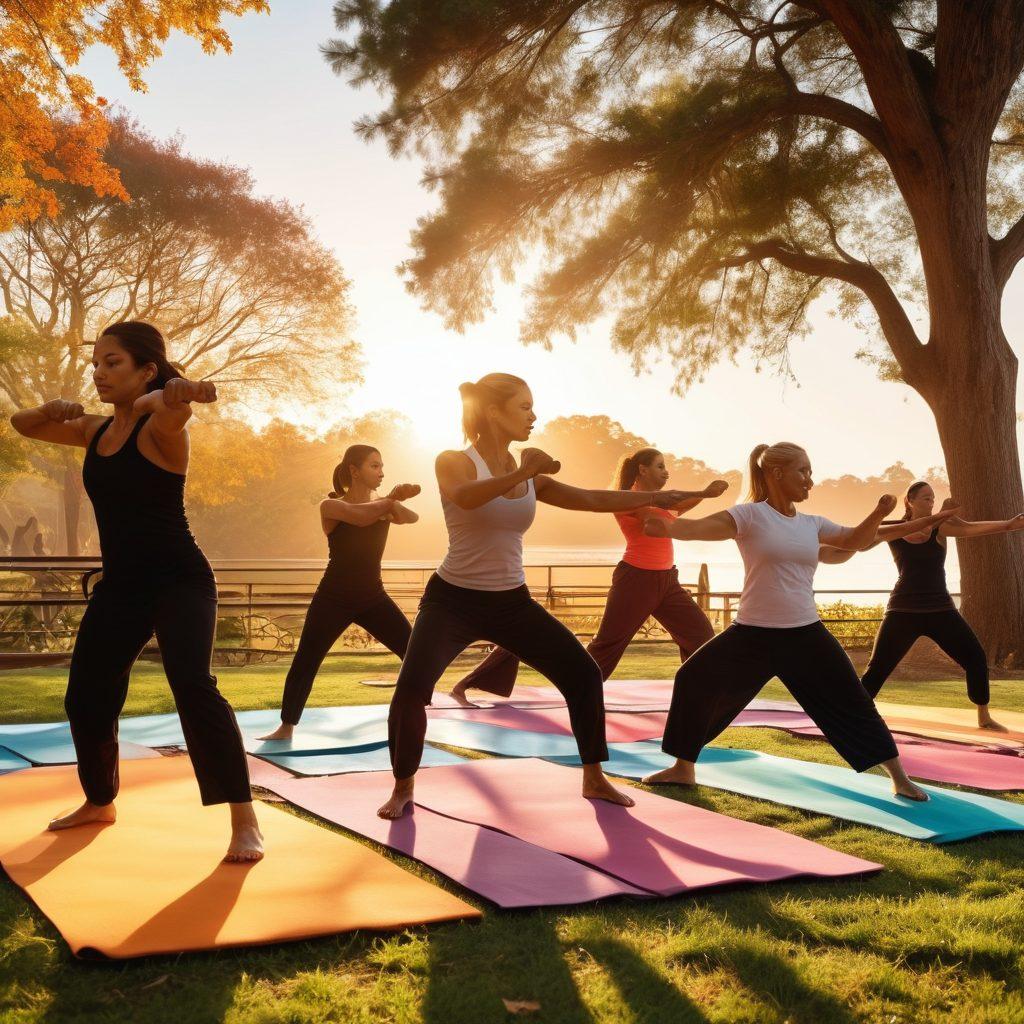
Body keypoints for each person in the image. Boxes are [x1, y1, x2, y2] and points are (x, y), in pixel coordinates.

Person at [377, 373, 696, 818]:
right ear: (493, 412)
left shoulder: (531, 477)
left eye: (533, 407)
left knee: (583, 675)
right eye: (524, 407)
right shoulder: (454, 460)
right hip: (451, 599)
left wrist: (661, 496)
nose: (533, 415)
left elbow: (590, 498)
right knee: (412, 689)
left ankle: (593, 777)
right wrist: (526, 469)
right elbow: (464, 497)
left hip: (512, 601)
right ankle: (403, 786)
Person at [10, 321, 263, 862]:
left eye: (113, 362)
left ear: (147, 369)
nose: (99, 373)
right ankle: (100, 800)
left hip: (179, 578)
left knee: (193, 686)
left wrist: (176, 393)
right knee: (86, 695)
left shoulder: (162, 429)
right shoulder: (95, 431)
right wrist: (53, 407)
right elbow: (21, 424)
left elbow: (179, 410)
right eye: (95, 363)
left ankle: (245, 819)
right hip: (122, 585)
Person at [640, 442, 960, 801]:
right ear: (776, 474)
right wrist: (663, 527)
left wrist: (878, 512)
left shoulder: (812, 524)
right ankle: (683, 768)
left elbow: (855, 539)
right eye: (803, 471)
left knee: (853, 699)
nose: (810, 480)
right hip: (751, 633)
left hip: (805, 634)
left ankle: (899, 777)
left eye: (810, 472)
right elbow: (699, 528)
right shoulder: (748, 516)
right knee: (692, 677)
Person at [448, 447, 727, 705]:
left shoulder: (656, 502)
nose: (666, 471)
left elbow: (676, 508)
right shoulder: (630, 498)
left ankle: (696, 697)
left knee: (700, 635)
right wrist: (701, 497)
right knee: (603, 652)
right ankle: (482, 675)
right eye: (660, 466)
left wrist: (704, 494)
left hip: (667, 580)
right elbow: (653, 518)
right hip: (637, 581)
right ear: (642, 470)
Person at [259, 446, 420, 741]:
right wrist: (390, 500)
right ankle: (286, 727)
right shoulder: (330, 506)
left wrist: (391, 502)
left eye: (382, 466)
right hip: (333, 597)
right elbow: (358, 517)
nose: (381, 471)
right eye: (374, 466)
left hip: (373, 596)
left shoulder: (384, 506)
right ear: (354, 470)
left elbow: (412, 518)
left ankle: (417, 713)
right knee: (307, 659)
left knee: (414, 653)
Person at [848, 480, 1024, 730]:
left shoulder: (940, 528)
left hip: (941, 610)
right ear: (909, 501)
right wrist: (873, 519)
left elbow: (973, 529)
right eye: (925, 498)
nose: (931, 502)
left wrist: (1009, 525)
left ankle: (983, 717)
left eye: (933, 498)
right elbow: (860, 542)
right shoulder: (892, 529)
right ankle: (852, 718)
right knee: (877, 669)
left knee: (975, 658)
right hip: (902, 611)